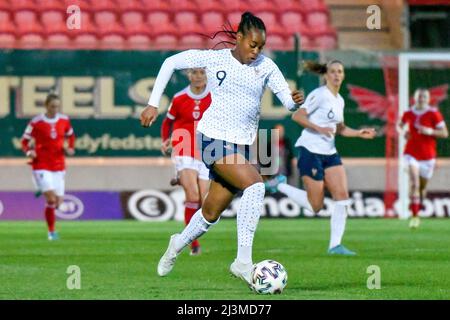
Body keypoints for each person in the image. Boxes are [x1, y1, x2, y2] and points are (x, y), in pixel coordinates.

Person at [140, 12, 304, 286]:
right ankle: (243, 262)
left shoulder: (266, 66)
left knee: (210, 213)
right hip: (211, 139)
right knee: (256, 186)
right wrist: (153, 103)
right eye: (252, 44)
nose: (257, 51)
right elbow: (170, 62)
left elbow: (287, 102)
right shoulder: (214, 59)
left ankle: (176, 244)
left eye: (261, 46)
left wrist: (296, 102)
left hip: (238, 145)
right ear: (239, 38)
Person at [265, 60, 376, 256]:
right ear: (326, 75)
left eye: (340, 71)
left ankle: (335, 246)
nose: (336, 75)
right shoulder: (319, 95)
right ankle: (279, 184)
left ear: (343, 75)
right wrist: (319, 128)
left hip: (330, 153)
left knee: (342, 197)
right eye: (332, 71)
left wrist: (359, 133)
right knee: (315, 206)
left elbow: (340, 129)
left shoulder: (339, 100)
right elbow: (297, 116)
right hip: (310, 150)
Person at [160, 68, 212, 255]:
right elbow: (168, 122)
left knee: (205, 201)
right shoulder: (180, 97)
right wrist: (166, 139)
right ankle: (193, 243)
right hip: (184, 148)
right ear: (188, 75)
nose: (198, 76)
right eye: (194, 73)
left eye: (201, 73)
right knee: (193, 196)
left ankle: (191, 234)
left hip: (207, 151)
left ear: (207, 75)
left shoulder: (215, 95)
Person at [21, 93, 75, 240]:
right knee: (51, 200)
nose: (55, 109)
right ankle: (51, 232)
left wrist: (70, 148)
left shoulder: (64, 120)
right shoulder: (36, 122)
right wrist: (29, 152)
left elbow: (71, 136)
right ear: (46, 106)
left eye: (57, 106)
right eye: (52, 106)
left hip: (59, 165)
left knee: (58, 202)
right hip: (41, 164)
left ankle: (40, 187)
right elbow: (24, 141)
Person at [398, 88, 448, 228]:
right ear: (415, 98)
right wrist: (403, 131)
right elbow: (399, 126)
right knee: (414, 182)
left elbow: (444, 133)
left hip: (428, 156)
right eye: (419, 96)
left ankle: (415, 203)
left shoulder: (433, 113)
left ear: (428, 98)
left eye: (424, 97)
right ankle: (414, 217)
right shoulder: (408, 113)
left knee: (421, 188)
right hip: (411, 153)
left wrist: (430, 131)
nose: (421, 99)